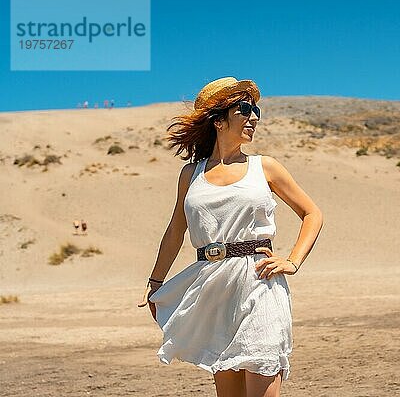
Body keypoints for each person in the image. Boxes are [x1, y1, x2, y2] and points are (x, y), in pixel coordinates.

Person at [137, 77, 323, 397]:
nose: (254, 118)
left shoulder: (264, 167)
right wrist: (156, 282)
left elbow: (312, 214)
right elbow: (175, 231)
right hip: (213, 288)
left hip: (259, 282)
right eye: (245, 109)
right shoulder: (190, 174)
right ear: (219, 119)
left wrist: (293, 261)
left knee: (262, 374)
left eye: (257, 111)